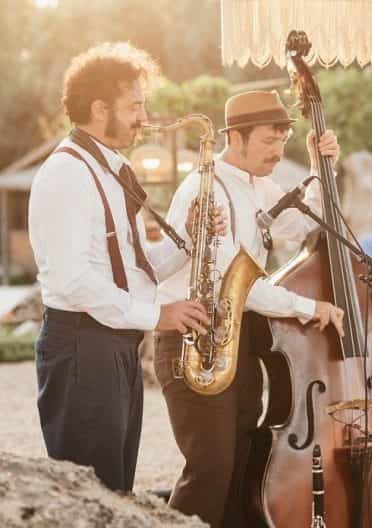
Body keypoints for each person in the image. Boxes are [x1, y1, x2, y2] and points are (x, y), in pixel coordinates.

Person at [28, 42, 219, 493]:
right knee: (93, 496)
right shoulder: (67, 174)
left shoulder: (110, 169)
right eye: (134, 106)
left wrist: (191, 236)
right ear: (99, 108)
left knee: (117, 491)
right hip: (82, 346)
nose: (144, 117)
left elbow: (136, 268)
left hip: (112, 345)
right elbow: (73, 280)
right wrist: (157, 315)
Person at [154, 89, 345, 528]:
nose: (277, 151)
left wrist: (319, 168)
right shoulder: (204, 188)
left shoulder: (261, 184)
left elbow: (305, 226)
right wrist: (309, 307)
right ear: (234, 138)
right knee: (210, 469)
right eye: (267, 141)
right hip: (193, 341)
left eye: (282, 140)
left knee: (242, 463)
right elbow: (234, 285)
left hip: (235, 340)